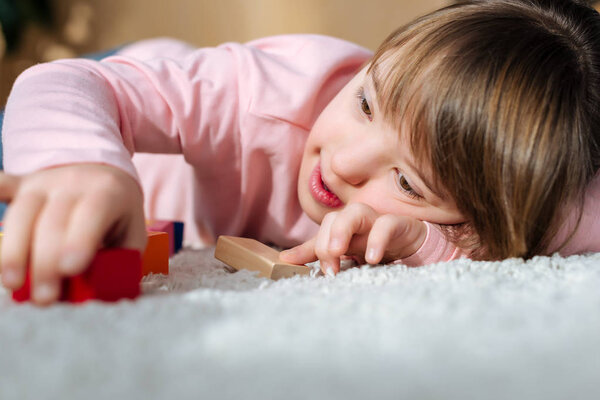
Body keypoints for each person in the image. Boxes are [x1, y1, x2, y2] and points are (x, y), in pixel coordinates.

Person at [1, 0, 599, 305]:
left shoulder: (514, 190)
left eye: (409, 183)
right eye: (366, 103)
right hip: (122, 100)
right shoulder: (265, 95)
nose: (342, 163)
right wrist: (78, 162)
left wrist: (427, 243)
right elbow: (60, 83)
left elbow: (571, 220)